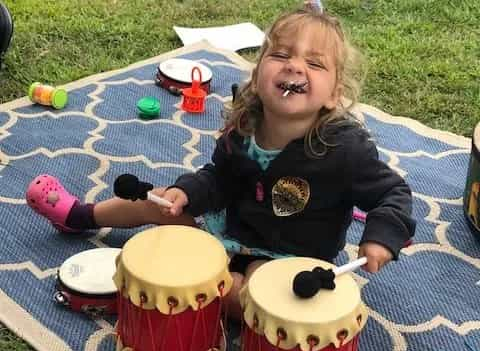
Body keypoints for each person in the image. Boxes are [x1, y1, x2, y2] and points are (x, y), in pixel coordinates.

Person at [26, 1, 416, 320]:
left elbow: (392, 194)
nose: (295, 66)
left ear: (334, 93)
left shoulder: (345, 149)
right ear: (259, 73)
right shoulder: (245, 124)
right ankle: (80, 216)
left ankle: (193, 285)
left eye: (314, 64)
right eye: (280, 55)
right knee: (158, 198)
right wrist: (185, 193)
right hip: (225, 232)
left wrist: (381, 238)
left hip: (286, 260)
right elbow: (219, 180)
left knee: (250, 298)